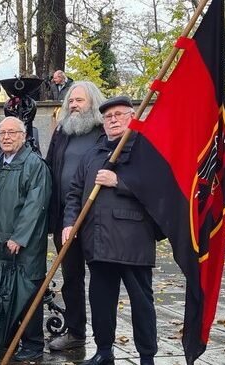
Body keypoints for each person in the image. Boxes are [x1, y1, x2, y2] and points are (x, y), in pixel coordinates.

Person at [63, 97, 160, 365]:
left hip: (133, 241)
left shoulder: (145, 151)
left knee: (141, 303)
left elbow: (157, 189)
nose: (113, 120)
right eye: (108, 117)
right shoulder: (92, 154)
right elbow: (74, 192)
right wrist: (70, 222)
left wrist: (119, 181)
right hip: (97, 241)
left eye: (119, 114)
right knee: (101, 301)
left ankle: (147, 356)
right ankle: (103, 350)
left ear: (132, 117)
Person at [45, 81, 107, 352]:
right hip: (65, 218)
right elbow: (50, 167)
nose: (73, 105)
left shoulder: (104, 133)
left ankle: (104, 340)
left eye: (79, 100)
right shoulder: (63, 132)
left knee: (102, 279)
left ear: (92, 102)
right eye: (70, 101)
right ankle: (75, 332)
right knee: (71, 277)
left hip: (97, 219)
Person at [0, 116, 52, 362]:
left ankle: (33, 343)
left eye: (12, 132)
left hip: (25, 244)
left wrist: (19, 237)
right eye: (2, 133)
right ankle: (5, 336)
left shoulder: (34, 164)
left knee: (27, 292)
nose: (6, 137)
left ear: (23, 136)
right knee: (3, 290)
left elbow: (36, 204)